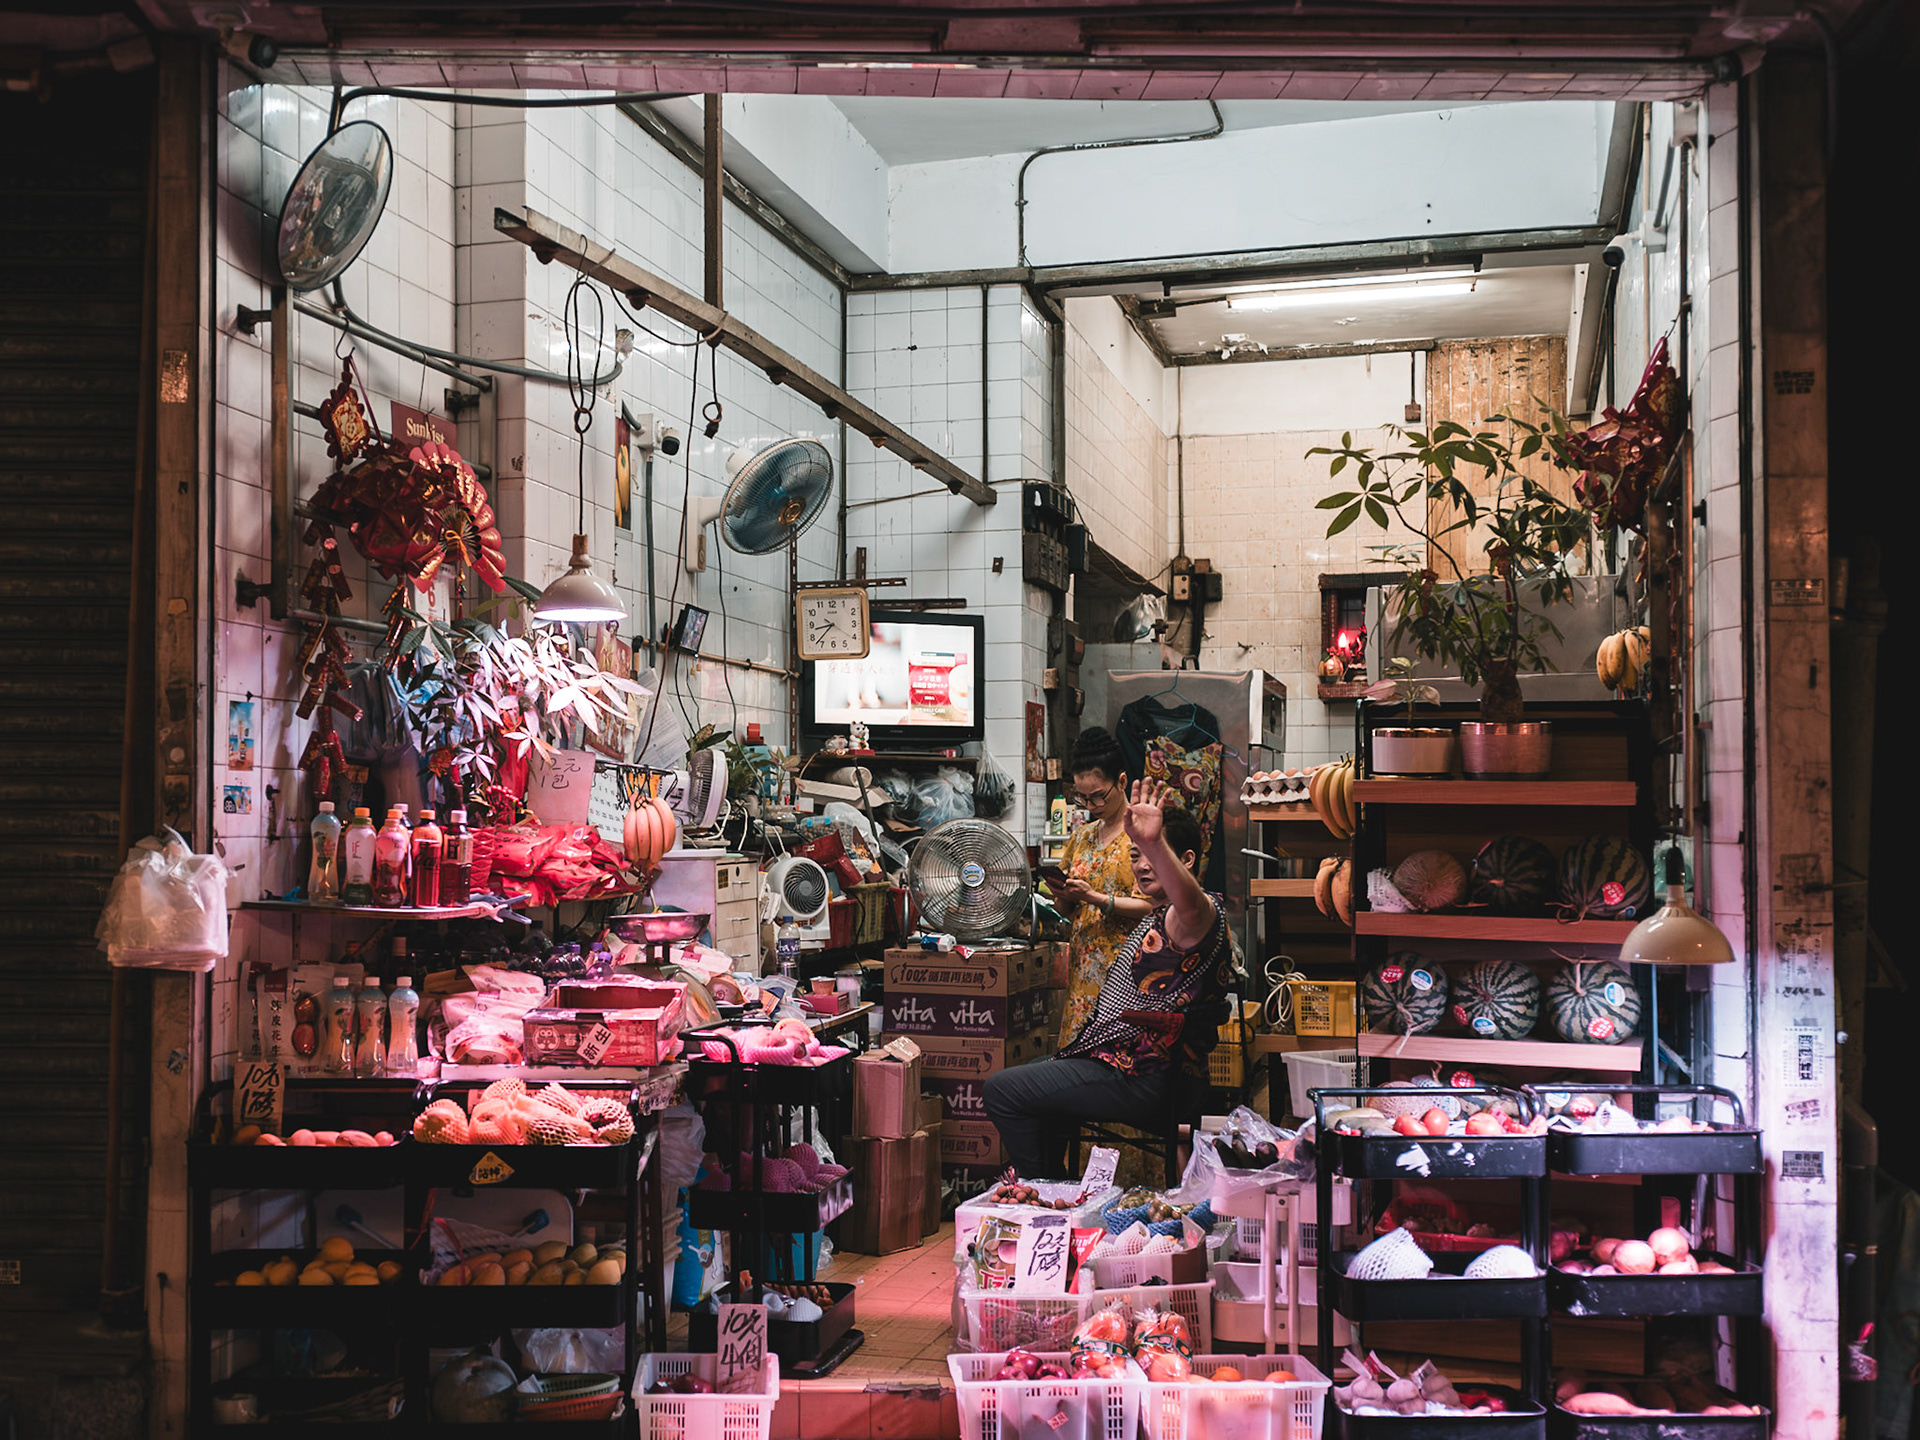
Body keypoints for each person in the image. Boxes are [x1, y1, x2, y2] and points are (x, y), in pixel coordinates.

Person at [985, 779, 1234, 1181]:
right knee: (1033, 1076)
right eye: (1135, 855)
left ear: (1185, 860)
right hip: (1141, 1071)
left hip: (1147, 1080)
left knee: (1002, 1090)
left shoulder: (1196, 915)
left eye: (1152, 854)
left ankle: (1044, 1194)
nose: (1141, 864)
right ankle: (1056, 1188)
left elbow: (1190, 899)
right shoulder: (1163, 912)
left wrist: (1152, 842)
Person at [1050, 727, 1153, 1041]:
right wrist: (1063, 895)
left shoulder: (1143, 834)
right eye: (1082, 797)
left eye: (1098, 795)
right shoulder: (1081, 837)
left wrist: (1098, 899)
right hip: (1083, 974)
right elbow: (1065, 910)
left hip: (1127, 973)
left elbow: (1152, 906)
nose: (1091, 804)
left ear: (1121, 782)